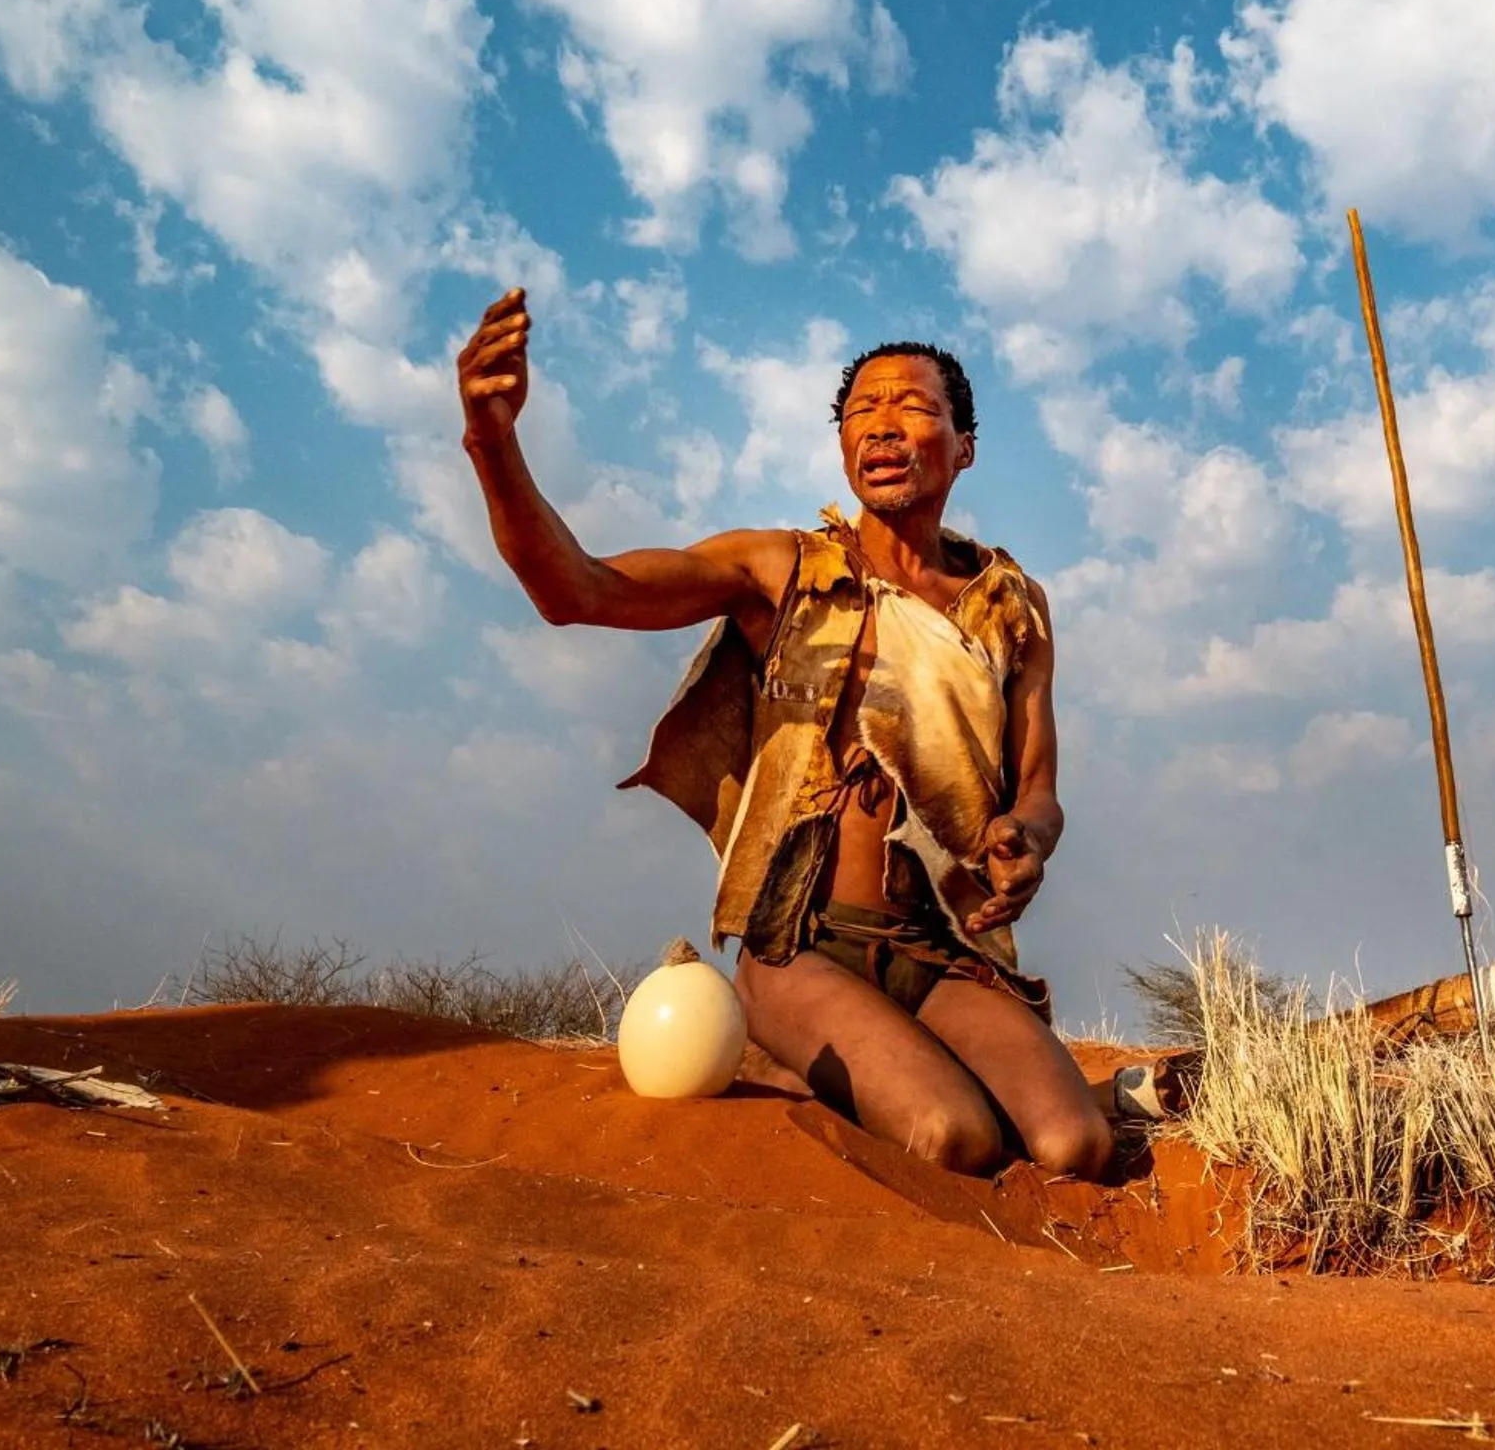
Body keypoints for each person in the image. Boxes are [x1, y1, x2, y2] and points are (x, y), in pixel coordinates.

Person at [456, 289, 1113, 1178]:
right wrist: (493, 444)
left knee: (1076, 1146)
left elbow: (1038, 789)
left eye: (914, 407)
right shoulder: (784, 569)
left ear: (963, 448)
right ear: (842, 444)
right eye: (861, 411)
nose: (882, 425)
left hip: (941, 946)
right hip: (806, 945)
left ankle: (891, 1058)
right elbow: (578, 589)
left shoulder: (1013, 607)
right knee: (953, 1137)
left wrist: (1024, 840)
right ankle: (770, 1040)